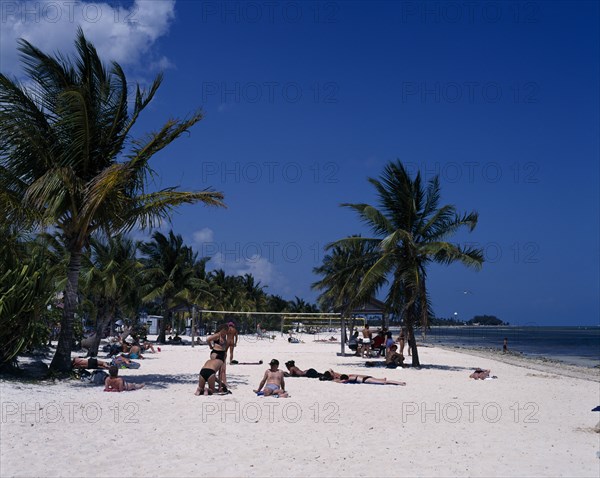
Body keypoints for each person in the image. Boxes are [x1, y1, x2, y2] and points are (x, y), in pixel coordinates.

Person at [207, 324, 229, 392]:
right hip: (215, 353)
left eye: (226, 332)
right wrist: (210, 346)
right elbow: (208, 339)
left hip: (222, 353)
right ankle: (211, 384)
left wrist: (225, 353)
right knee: (214, 371)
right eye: (225, 331)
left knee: (222, 371)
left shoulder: (224, 336)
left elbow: (225, 346)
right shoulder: (217, 335)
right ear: (222, 330)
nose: (225, 333)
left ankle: (220, 386)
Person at [321, 369, 405, 386]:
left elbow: (332, 371)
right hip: (364, 377)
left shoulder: (342, 378)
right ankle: (399, 383)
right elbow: (332, 371)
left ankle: (399, 383)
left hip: (364, 379)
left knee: (383, 382)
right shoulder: (347, 376)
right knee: (383, 382)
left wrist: (332, 378)